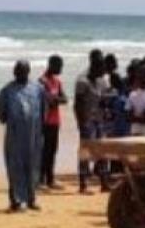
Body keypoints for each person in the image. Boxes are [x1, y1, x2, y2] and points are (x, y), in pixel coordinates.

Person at [0, 61, 45, 213]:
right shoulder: (7, 90)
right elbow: (0, 111)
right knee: (15, 167)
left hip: (33, 135)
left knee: (33, 166)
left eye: (22, 71)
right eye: (17, 70)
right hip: (15, 136)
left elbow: (43, 110)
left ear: (28, 72)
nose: (19, 73)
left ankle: (31, 199)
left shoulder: (38, 89)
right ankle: (16, 201)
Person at [74, 50, 107, 194]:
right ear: (94, 65)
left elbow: (104, 99)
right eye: (102, 67)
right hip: (87, 121)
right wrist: (81, 124)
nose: (104, 71)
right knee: (85, 152)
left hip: (99, 120)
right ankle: (83, 184)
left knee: (103, 151)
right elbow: (78, 104)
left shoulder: (101, 81)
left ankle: (104, 182)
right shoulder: (82, 81)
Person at [38, 55, 67, 190]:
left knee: (53, 150)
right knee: (44, 151)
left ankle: (50, 179)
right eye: (59, 66)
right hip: (45, 121)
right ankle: (40, 180)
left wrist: (55, 99)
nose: (61, 69)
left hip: (55, 121)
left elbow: (64, 99)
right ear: (52, 65)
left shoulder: (57, 82)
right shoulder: (42, 81)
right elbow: (48, 100)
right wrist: (55, 99)